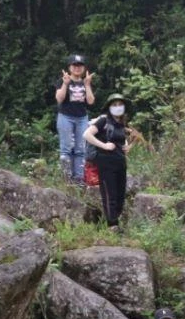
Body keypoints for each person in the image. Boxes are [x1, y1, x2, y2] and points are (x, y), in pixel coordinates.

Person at [83, 93, 135, 228]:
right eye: (114, 105)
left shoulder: (122, 123)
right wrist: (104, 145)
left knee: (120, 195)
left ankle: (116, 222)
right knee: (109, 194)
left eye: (120, 105)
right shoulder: (103, 121)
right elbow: (87, 134)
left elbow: (123, 138)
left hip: (120, 162)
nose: (118, 107)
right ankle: (112, 225)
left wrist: (127, 147)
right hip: (106, 163)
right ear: (109, 107)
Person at [54, 54, 95, 183]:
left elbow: (90, 101)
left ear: (83, 68)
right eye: (74, 65)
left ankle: (79, 179)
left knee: (80, 150)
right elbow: (59, 99)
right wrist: (65, 84)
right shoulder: (62, 80)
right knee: (66, 148)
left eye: (80, 65)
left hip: (82, 118)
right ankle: (66, 179)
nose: (77, 68)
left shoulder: (85, 82)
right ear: (69, 67)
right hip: (65, 117)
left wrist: (87, 85)